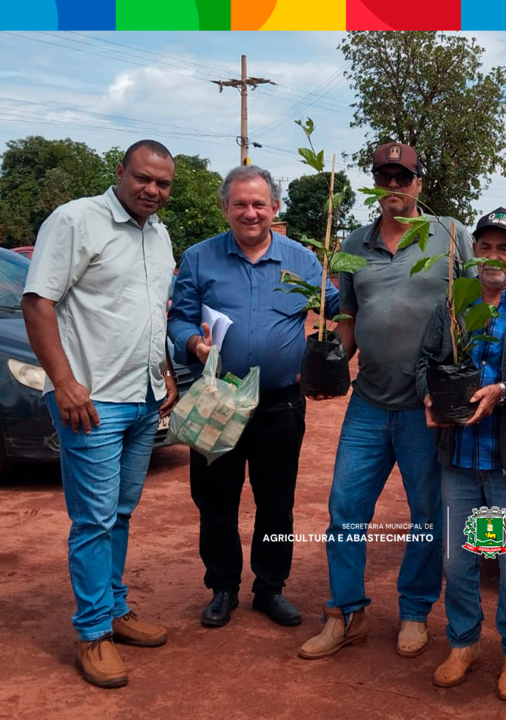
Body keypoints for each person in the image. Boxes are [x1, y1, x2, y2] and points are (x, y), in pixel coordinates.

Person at [299, 142, 474, 660]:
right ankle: (345, 612)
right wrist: (329, 357)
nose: (394, 186)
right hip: (369, 402)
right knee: (345, 508)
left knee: (425, 513)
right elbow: (349, 318)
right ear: (375, 183)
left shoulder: (449, 235)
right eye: (384, 177)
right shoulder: (353, 243)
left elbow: (471, 311)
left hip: (426, 406)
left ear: (420, 183)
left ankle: (415, 611)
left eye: (404, 177)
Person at [22, 140, 179, 688]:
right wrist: (64, 383)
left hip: (141, 398)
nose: (152, 191)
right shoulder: (75, 220)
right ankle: (93, 633)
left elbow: (150, 312)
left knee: (121, 511)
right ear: (120, 172)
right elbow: (37, 302)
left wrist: (165, 369)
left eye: (163, 184)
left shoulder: (158, 235)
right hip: (91, 401)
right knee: (93, 519)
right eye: (143, 179)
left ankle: (114, 609)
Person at [168, 165, 339, 630]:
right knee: (216, 501)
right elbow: (179, 319)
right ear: (225, 207)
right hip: (217, 400)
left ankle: (270, 588)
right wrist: (193, 343)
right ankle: (223, 587)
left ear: (274, 208)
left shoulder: (301, 260)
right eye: (240, 203)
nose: (250, 212)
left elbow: (337, 306)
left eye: (259, 203)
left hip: (280, 404)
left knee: (276, 501)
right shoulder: (200, 259)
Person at [414, 207, 506, 700]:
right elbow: (425, 362)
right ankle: (463, 643)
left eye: (505, 247)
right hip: (460, 456)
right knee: (458, 560)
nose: (494, 257)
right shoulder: (455, 301)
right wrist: (430, 396)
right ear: (475, 252)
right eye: (486, 247)